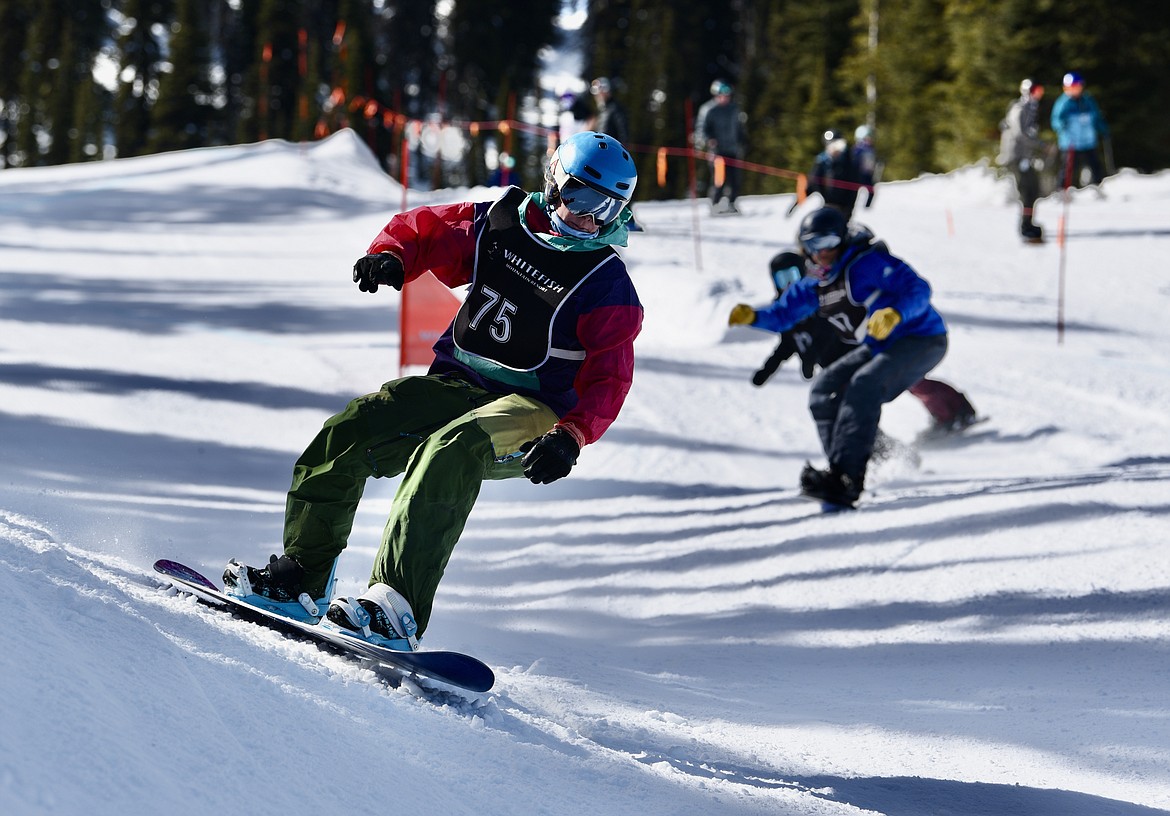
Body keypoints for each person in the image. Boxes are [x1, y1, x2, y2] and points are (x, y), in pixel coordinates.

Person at [222, 131, 644, 649]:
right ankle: (300, 579)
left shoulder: (606, 283)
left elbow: (610, 376)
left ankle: (394, 608)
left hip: (533, 409)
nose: (590, 217)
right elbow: (430, 230)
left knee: (450, 450)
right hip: (458, 383)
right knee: (353, 429)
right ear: (555, 181)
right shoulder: (501, 221)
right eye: (581, 196)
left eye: (608, 207)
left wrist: (571, 436)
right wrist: (393, 256)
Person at [729, 207, 949, 508]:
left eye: (829, 241)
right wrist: (753, 316)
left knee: (863, 385)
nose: (823, 252)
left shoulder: (867, 264)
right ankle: (840, 470)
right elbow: (782, 315)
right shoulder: (815, 284)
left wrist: (895, 313)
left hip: (921, 338)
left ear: (843, 239)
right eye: (813, 245)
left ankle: (848, 479)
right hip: (877, 346)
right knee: (822, 390)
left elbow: (918, 289)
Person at [752, 250, 978, 436]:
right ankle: (879, 449)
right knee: (848, 406)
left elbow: (842, 325)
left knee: (911, 381)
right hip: (835, 366)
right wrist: (768, 369)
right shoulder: (792, 306)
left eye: (792, 275)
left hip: (858, 352)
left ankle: (956, 411)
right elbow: (787, 343)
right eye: (782, 279)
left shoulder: (821, 293)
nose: (788, 283)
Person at [998, 79, 1048, 241]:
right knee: (1027, 191)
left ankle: (1028, 223)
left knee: (1033, 189)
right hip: (1016, 156)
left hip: (1023, 156)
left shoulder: (1030, 108)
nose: (1039, 95)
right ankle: (1025, 226)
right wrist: (1042, 145)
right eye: (1036, 92)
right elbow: (1021, 134)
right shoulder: (1019, 109)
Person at [694, 80, 748, 214]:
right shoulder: (708, 110)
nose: (725, 98)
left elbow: (739, 128)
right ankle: (715, 203)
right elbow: (701, 130)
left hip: (732, 149)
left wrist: (743, 141)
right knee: (719, 179)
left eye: (727, 95)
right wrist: (708, 140)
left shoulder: (734, 109)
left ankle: (731, 203)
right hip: (717, 151)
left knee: (735, 179)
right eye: (722, 95)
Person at [1051, 71, 1109, 191]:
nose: (1075, 90)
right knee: (1068, 168)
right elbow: (1056, 120)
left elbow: (1096, 117)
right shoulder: (1063, 103)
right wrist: (1060, 126)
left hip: (1088, 141)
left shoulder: (1087, 100)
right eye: (1072, 87)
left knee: (1095, 166)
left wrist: (1103, 128)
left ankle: (1098, 188)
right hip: (1071, 143)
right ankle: (1062, 191)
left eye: (1077, 87)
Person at [807, 129, 861, 217]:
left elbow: (853, 187)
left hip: (844, 207)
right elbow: (812, 183)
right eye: (832, 145)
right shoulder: (821, 162)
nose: (835, 149)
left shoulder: (849, 162)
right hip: (826, 205)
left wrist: (849, 208)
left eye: (838, 145)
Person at [589, 77, 629, 146]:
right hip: (601, 149)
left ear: (606, 91)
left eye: (599, 93)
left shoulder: (615, 109)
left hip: (611, 151)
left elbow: (623, 133)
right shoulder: (602, 110)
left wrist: (621, 148)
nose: (597, 96)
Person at [851, 125, 879, 209]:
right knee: (853, 191)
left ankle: (867, 207)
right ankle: (852, 205)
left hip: (868, 174)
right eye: (867, 137)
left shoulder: (871, 149)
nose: (870, 139)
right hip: (859, 174)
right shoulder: (858, 148)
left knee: (871, 190)